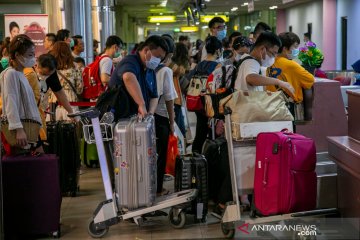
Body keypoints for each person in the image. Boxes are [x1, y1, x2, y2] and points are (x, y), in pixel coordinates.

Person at [0, 34, 41, 153]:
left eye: (33, 55)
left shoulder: (20, 73)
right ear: (17, 55)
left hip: (28, 127)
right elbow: (10, 102)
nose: (33, 58)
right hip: (21, 130)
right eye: (29, 55)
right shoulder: (10, 74)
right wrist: (18, 129)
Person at [108, 35, 168, 118]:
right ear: (146, 50)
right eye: (157, 57)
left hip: (136, 121)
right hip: (119, 118)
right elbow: (128, 77)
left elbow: (154, 96)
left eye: (161, 59)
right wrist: (141, 104)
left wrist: (150, 114)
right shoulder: (131, 61)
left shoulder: (150, 70)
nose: (158, 61)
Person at [184, 36, 222, 153]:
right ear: (218, 51)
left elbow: (186, 82)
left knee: (200, 131)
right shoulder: (218, 66)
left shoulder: (199, 65)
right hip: (211, 103)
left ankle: (196, 156)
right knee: (212, 133)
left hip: (198, 103)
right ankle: (210, 157)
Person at [154, 35, 177, 196]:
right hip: (160, 117)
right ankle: (158, 188)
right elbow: (169, 99)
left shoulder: (148, 67)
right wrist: (172, 121)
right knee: (161, 155)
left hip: (146, 116)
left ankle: (149, 186)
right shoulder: (166, 71)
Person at [266, 32, 314, 107]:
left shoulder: (270, 61)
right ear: (285, 48)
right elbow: (310, 79)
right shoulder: (291, 65)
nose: (297, 50)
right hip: (287, 107)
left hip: (271, 103)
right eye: (295, 47)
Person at [50, 41, 83, 120]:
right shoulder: (75, 66)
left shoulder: (51, 67)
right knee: (72, 131)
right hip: (71, 105)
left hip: (54, 106)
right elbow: (79, 89)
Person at [170, 42, 190, 137]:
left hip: (174, 97)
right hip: (174, 98)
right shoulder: (171, 64)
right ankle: (182, 141)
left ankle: (182, 140)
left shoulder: (171, 62)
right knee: (178, 120)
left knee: (178, 118)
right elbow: (180, 71)